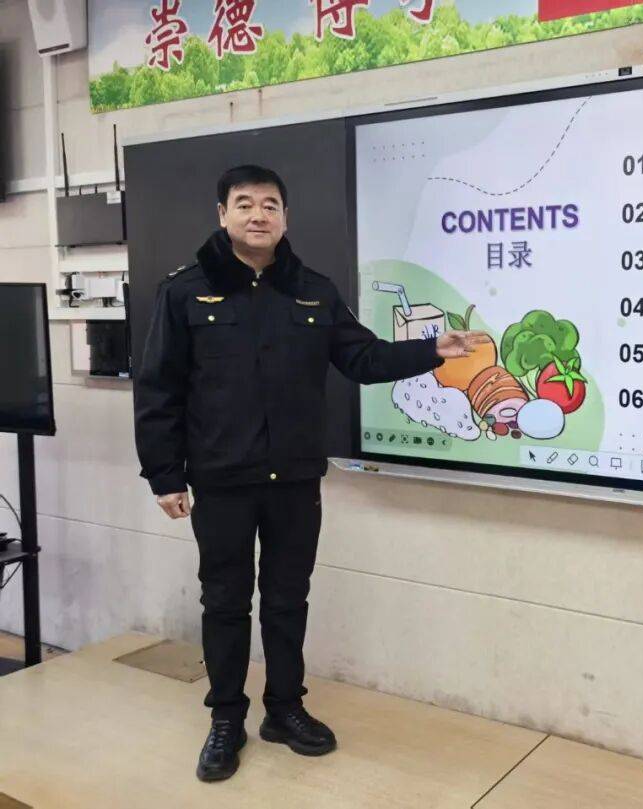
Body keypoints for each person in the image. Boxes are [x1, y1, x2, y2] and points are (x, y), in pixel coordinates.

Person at [133, 165, 483, 782]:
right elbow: (159, 388)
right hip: (221, 479)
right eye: (245, 203)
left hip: (294, 480)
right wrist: (165, 475)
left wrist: (432, 349)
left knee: (288, 599)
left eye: (270, 204)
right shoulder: (185, 292)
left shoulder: (314, 292)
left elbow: (364, 357)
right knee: (225, 602)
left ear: (285, 217)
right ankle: (226, 719)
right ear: (223, 215)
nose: (258, 215)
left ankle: (284, 708)